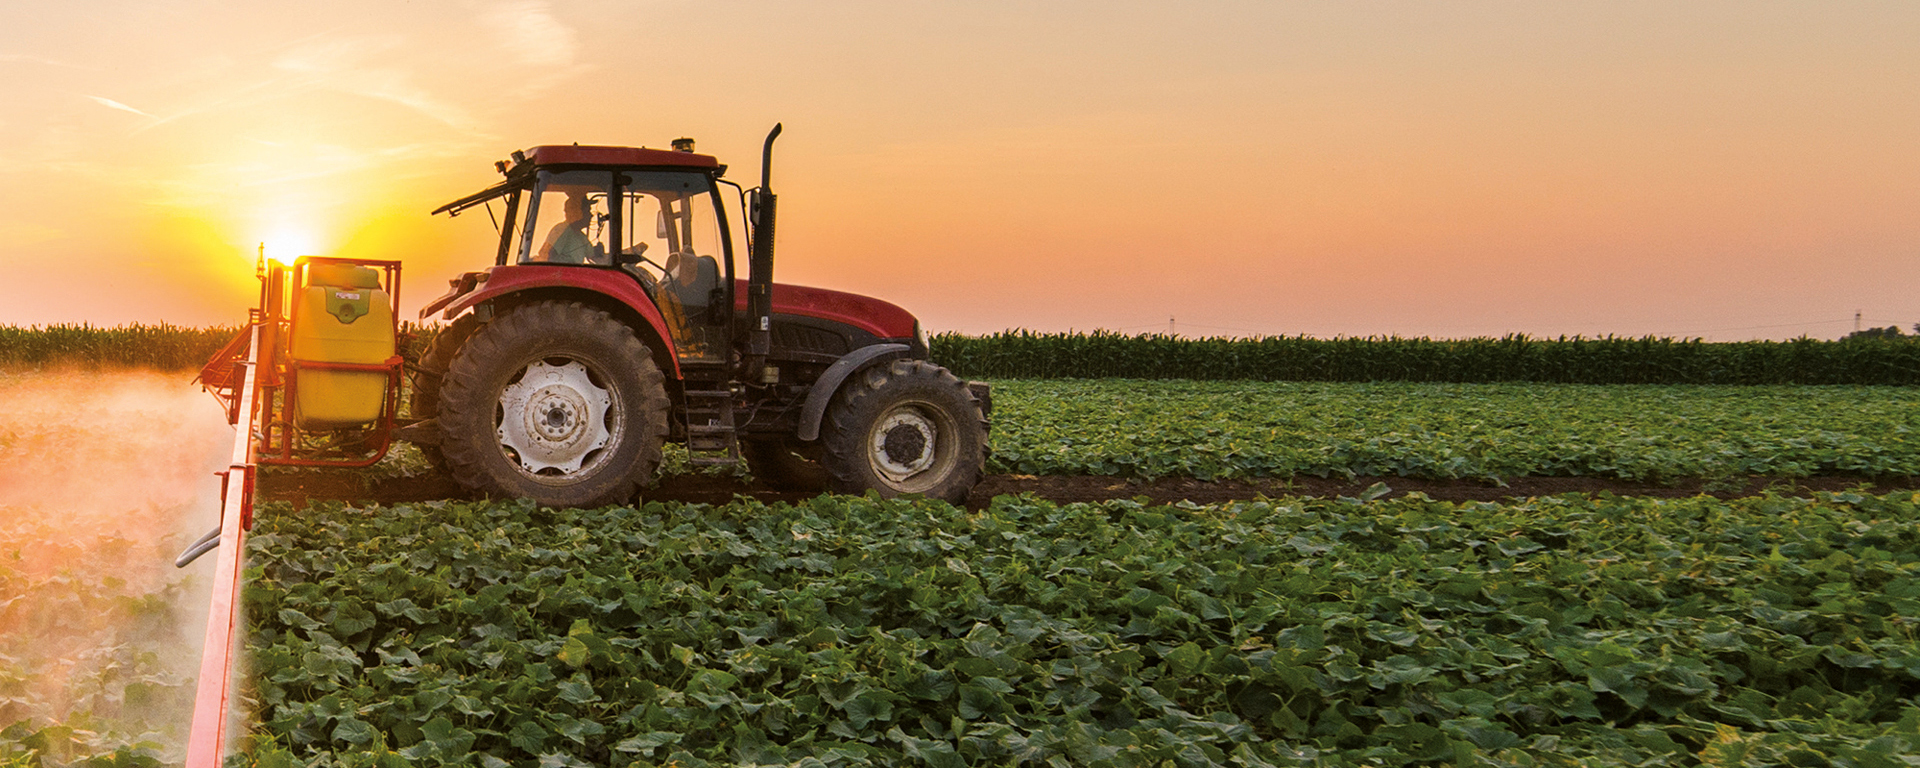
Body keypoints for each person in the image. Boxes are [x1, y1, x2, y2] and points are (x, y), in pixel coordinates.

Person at [535, 191, 593, 263]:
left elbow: (593, 255)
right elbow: (545, 256)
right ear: (577, 212)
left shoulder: (581, 236)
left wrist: (599, 250)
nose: (591, 215)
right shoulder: (560, 230)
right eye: (588, 211)